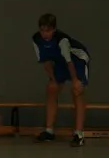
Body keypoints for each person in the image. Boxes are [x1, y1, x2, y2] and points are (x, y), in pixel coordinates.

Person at [32, 13, 89, 147]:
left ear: (54, 29)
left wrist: (75, 81)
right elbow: (46, 62)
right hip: (60, 62)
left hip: (77, 61)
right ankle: (49, 131)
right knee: (51, 88)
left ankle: (79, 134)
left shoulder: (62, 40)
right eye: (42, 30)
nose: (44, 34)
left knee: (77, 91)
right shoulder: (36, 39)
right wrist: (54, 80)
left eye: (48, 31)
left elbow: (70, 63)